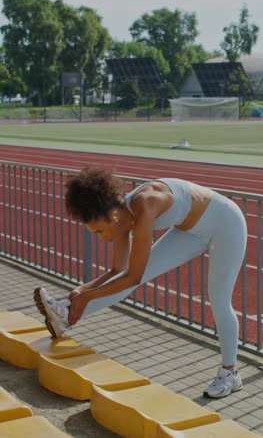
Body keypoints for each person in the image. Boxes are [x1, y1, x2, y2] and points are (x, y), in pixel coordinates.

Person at [34, 165, 247, 399]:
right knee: (123, 281)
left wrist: (86, 296)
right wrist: (82, 290)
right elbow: (118, 271)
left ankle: (230, 373)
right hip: (191, 231)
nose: (103, 238)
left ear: (112, 217)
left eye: (99, 231)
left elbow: (133, 276)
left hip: (226, 224)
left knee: (218, 298)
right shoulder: (121, 217)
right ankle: (64, 314)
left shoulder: (145, 207)